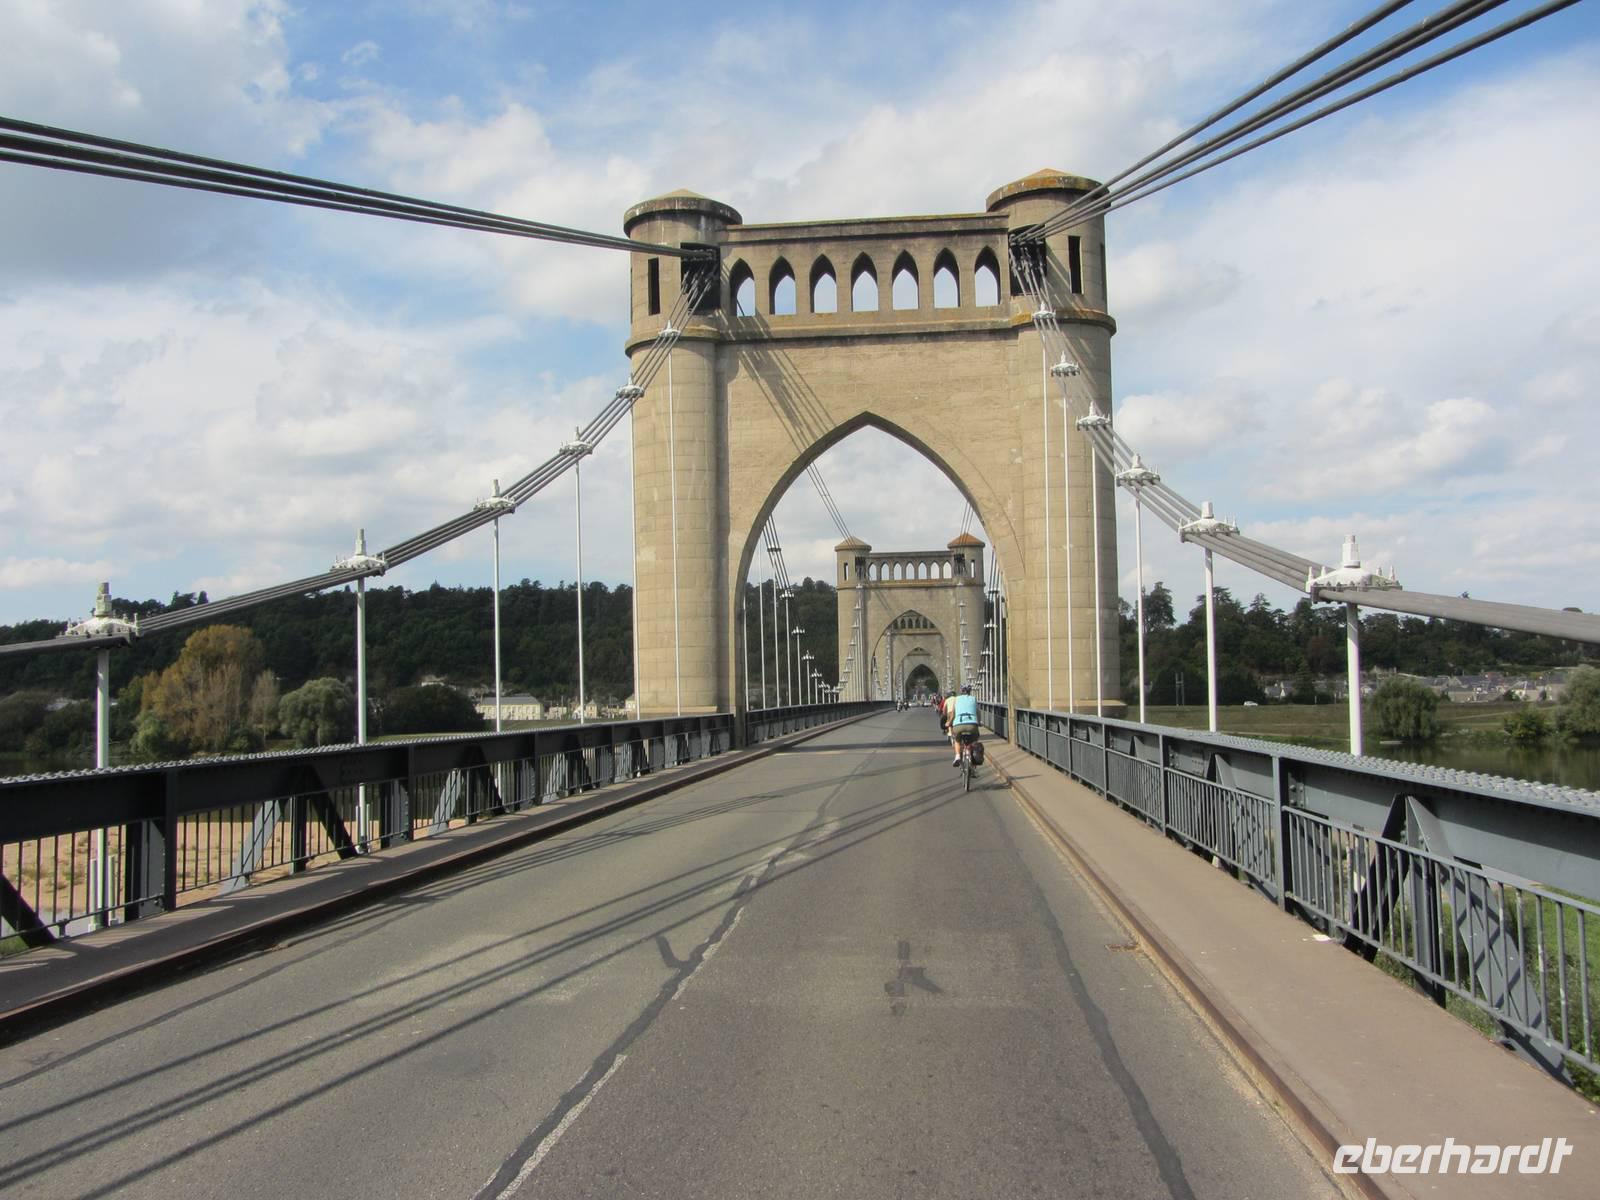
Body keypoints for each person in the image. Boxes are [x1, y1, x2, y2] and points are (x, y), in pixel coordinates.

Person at [944, 685, 979, 766]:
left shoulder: (956, 699)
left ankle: (957, 756)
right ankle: (972, 757)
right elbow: (978, 712)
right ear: (969, 691)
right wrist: (979, 722)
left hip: (958, 725)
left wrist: (949, 722)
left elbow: (953, 714)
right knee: (974, 739)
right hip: (972, 724)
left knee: (957, 740)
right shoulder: (973, 699)